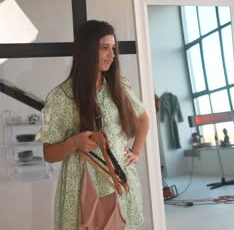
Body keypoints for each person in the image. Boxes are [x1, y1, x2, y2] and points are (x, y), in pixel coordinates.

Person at [36, 20, 149, 230]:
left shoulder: (118, 86)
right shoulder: (61, 96)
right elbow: (49, 154)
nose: (112, 55)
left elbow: (143, 118)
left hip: (119, 181)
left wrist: (137, 151)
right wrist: (75, 143)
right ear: (87, 50)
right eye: (104, 48)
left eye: (113, 48)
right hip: (80, 186)